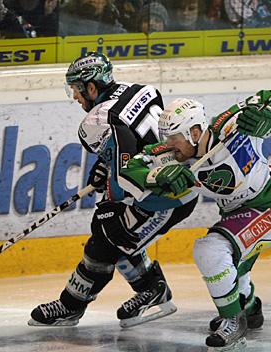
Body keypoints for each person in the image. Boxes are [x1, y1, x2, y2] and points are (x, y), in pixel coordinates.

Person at [28, 52, 199, 328]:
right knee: (113, 230)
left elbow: (128, 172)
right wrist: (105, 165)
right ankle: (151, 289)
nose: (75, 97)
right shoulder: (143, 90)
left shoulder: (94, 122)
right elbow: (136, 145)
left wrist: (111, 202)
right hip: (169, 179)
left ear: (91, 87)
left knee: (108, 234)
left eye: (76, 89)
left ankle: (72, 306)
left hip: (165, 195)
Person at [120, 91, 271, 349]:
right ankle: (249, 308)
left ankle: (233, 320)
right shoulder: (171, 153)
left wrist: (267, 117)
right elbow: (129, 170)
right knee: (234, 270)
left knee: (210, 249)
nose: (169, 143)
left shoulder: (231, 126)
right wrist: (156, 177)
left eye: (175, 137)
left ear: (196, 132)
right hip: (235, 213)